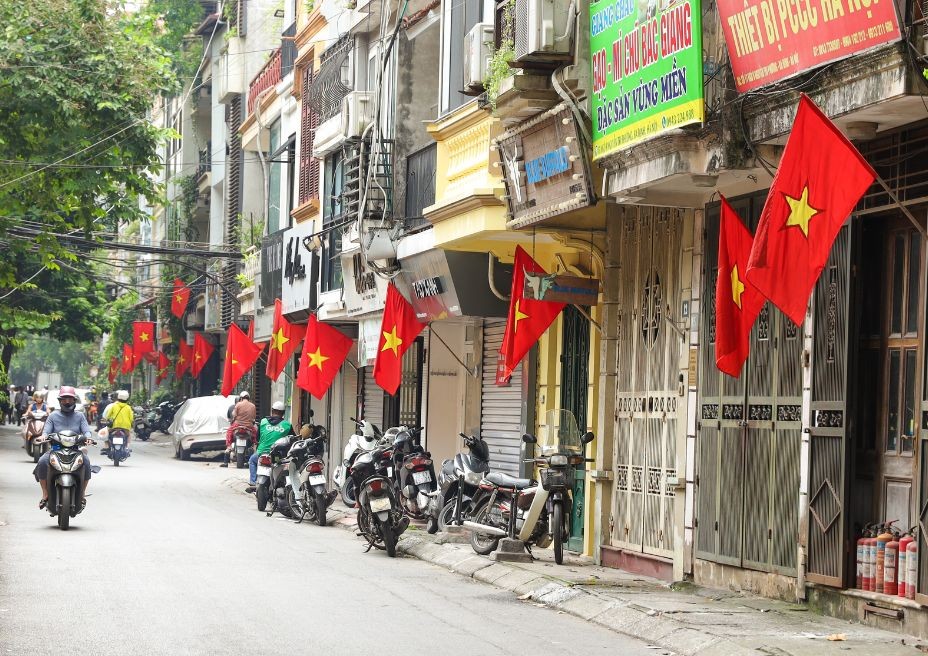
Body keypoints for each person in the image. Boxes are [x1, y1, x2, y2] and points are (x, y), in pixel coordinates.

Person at [34, 386, 93, 509]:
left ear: (74, 400)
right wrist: (43, 437)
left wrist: (88, 438)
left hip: (75, 450)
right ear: (60, 401)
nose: (67, 401)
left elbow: (87, 431)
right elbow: (46, 432)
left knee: (86, 462)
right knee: (42, 461)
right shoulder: (53, 416)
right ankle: (45, 493)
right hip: (55, 449)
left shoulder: (80, 416)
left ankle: (81, 493)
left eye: (70, 399)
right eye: (64, 399)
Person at [245, 401, 293, 492]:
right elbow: (291, 440)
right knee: (281, 467)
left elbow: (258, 437)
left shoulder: (263, 422)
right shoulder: (287, 425)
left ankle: (253, 482)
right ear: (283, 413)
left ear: (272, 411)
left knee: (252, 460)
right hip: (277, 457)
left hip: (261, 453)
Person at [221, 391, 257, 468]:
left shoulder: (238, 404)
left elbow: (234, 415)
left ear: (241, 398)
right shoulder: (253, 406)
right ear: (249, 398)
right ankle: (254, 446)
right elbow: (254, 417)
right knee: (255, 435)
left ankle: (229, 447)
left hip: (237, 425)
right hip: (249, 426)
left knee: (229, 432)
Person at [101, 390, 134, 455]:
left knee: (106, 433)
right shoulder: (128, 407)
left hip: (114, 426)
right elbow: (131, 418)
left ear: (118, 398)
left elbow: (108, 415)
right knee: (129, 435)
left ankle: (106, 446)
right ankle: (127, 447)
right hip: (125, 427)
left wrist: (106, 420)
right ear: (127, 399)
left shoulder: (114, 406)